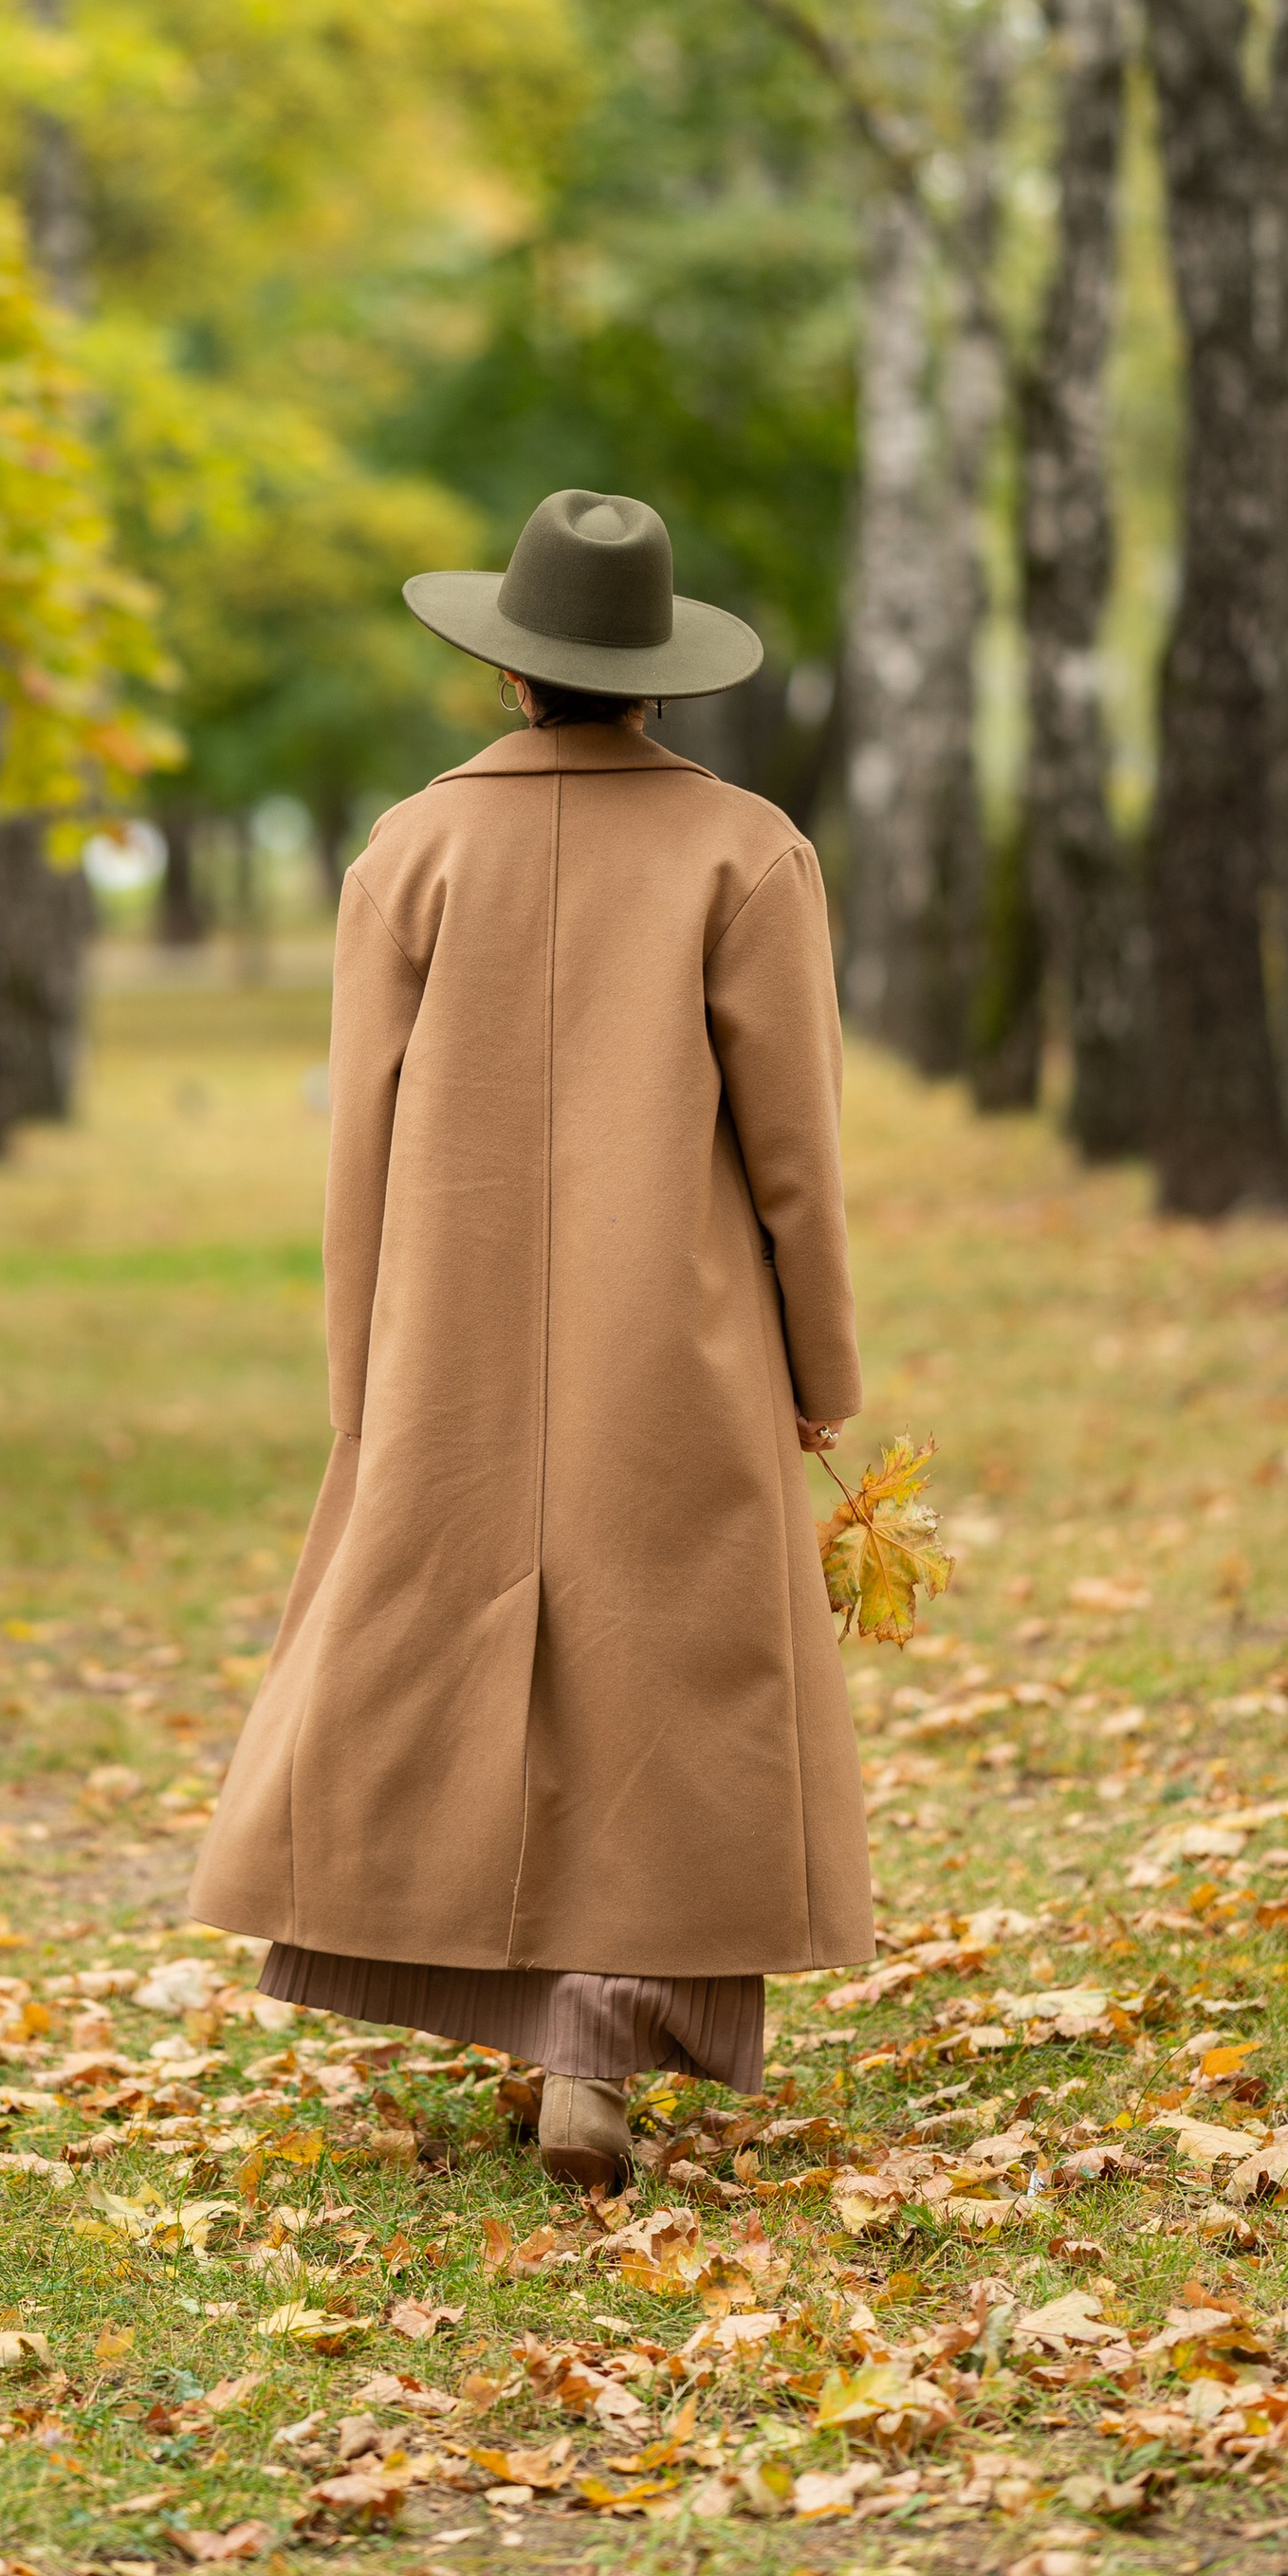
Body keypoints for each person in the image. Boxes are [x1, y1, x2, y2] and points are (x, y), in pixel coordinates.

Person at [192, 488, 872, 2191]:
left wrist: (368, 1381)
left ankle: (528, 2010)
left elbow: (362, 1142)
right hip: (686, 1332)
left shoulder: (409, 850)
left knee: (446, 1650)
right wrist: (821, 1373)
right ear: (659, 679)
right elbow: (797, 1156)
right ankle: (610, 2033)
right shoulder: (747, 851)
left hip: (456, 1337)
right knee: (669, 1669)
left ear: (508, 674)